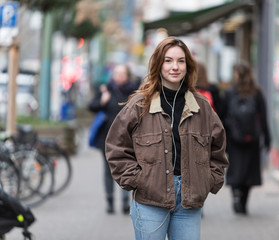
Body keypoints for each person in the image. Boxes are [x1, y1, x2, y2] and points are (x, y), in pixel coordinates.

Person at [105, 37, 229, 240]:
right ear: (158, 64)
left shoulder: (201, 106)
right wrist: (136, 180)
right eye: (168, 60)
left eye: (181, 61)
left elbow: (218, 147)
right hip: (150, 200)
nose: (175, 67)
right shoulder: (139, 104)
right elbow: (116, 146)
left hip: (189, 203)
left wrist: (209, 180)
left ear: (188, 66)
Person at [88, 64, 138, 214]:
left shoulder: (134, 92)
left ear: (127, 75)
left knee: (127, 168)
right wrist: (102, 101)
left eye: (122, 73)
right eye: (116, 73)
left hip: (127, 137)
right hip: (107, 137)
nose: (119, 76)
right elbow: (91, 106)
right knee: (108, 169)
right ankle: (109, 201)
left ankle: (124, 201)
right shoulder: (106, 89)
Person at [223, 61, 271, 215]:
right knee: (249, 171)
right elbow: (263, 118)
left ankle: (236, 195)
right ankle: (243, 203)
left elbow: (222, 117)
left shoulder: (230, 92)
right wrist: (267, 138)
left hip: (233, 139)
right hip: (252, 139)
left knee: (235, 169)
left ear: (236, 75)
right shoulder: (256, 92)